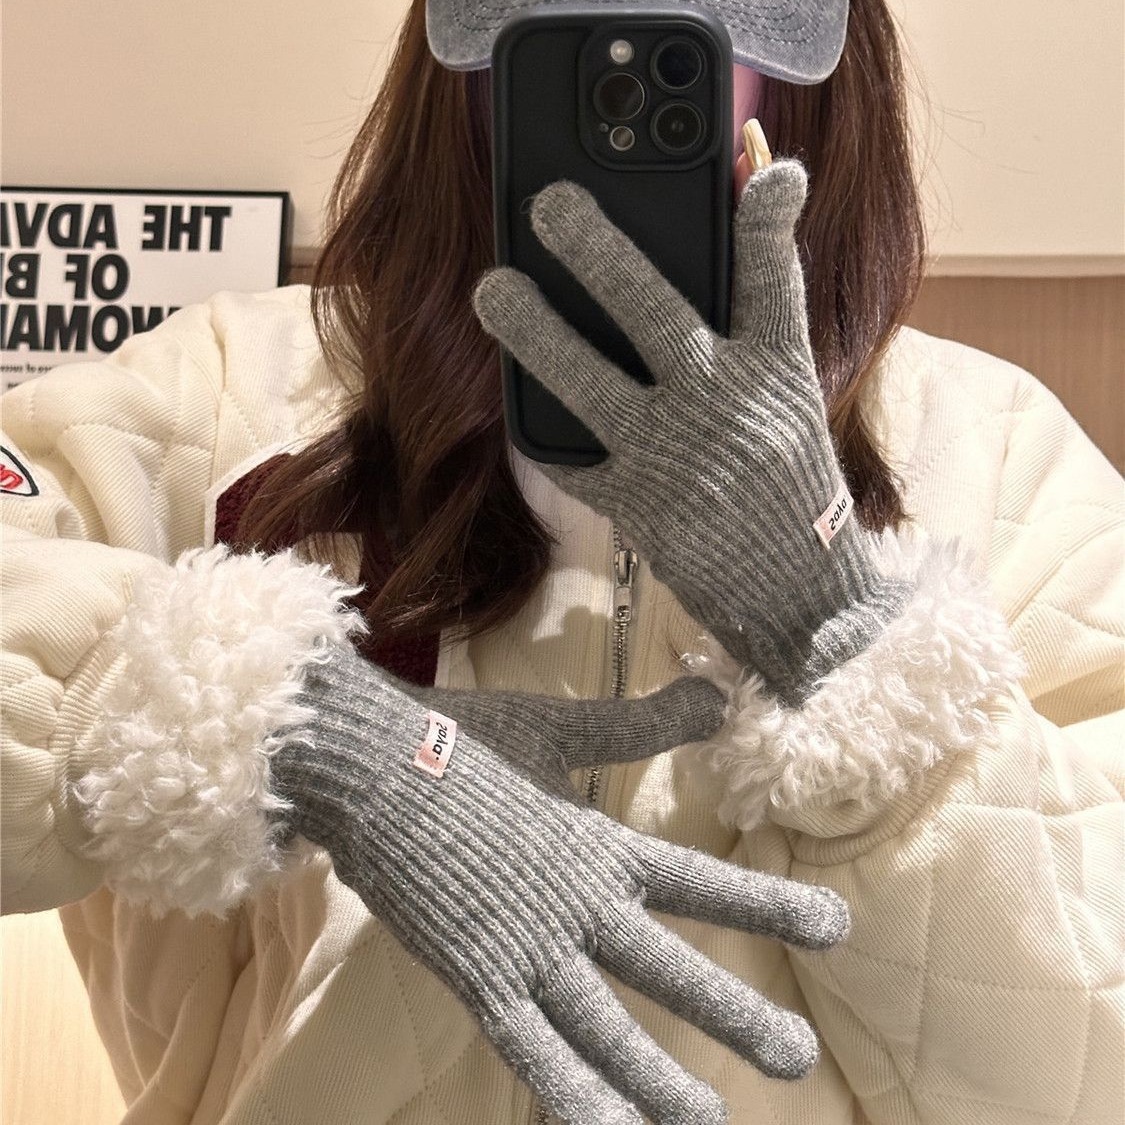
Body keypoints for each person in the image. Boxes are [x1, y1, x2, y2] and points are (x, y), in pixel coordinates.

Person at [2, 0, 1121, 1122]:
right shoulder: (232, 387)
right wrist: (289, 721)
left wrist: (840, 638)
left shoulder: (992, 449)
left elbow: (1086, 1072)